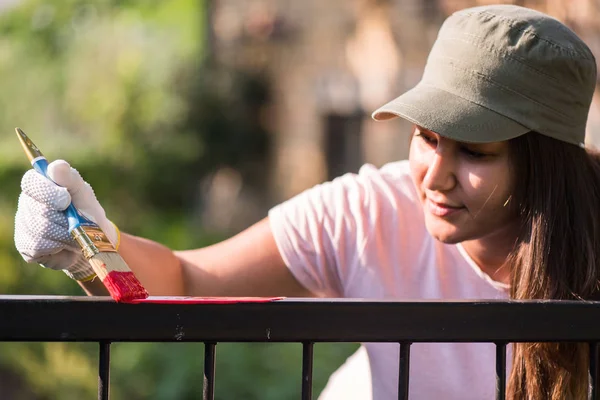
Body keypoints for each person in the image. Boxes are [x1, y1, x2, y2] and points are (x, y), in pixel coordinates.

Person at [13, 4, 599, 400]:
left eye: (474, 151)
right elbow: (189, 281)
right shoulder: (372, 210)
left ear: (545, 163)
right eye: (426, 136)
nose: (434, 177)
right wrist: (89, 242)